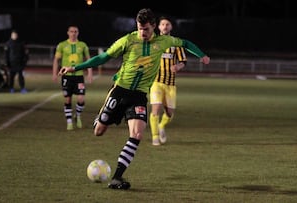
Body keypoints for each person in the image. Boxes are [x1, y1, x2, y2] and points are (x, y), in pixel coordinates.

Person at [58, 8, 210, 190]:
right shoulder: (128, 40)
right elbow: (102, 57)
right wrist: (75, 68)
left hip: (139, 96)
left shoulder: (164, 41)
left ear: (153, 26)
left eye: (146, 29)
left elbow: (185, 43)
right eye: (140, 28)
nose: (142, 33)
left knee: (137, 134)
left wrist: (202, 55)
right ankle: (100, 118)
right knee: (98, 131)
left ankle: (117, 177)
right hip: (119, 91)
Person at [149, 16, 187, 146]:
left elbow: (183, 62)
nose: (165, 26)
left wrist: (178, 66)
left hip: (170, 84)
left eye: (167, 24)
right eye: (163, 24)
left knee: (169, 114)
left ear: (171, 27)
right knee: (156, 109)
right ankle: (155, 137)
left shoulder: (176, 43)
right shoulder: (152, 42)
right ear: (158, 27)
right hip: (156, 82)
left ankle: (161, 126)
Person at [52, 25, 93, 130]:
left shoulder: (82, 45)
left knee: (81, 98)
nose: (73, 33)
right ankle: (69, 121)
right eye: (71, 31)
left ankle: (78, 115)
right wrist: (54, 73)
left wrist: (90, 73)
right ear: (68, 33)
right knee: (67, 100)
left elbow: (89, 60)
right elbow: (56, 60)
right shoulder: (62, 45)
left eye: (75, 31)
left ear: (78, 33)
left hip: (79, 76)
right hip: (66, 76)